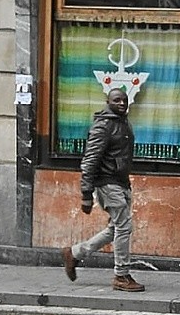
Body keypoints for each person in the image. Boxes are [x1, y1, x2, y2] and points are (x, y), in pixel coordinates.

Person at [62, 87, 145, 292]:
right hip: (107, 183)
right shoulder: (104, 125)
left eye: (124, 100)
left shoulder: (122, 122)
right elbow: (90, 160)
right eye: (117, 100)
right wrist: (86, 194)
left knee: (115, 229)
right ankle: (121, 275)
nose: (122, 103)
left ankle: (74, 253)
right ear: (108, 101)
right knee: (124, 227)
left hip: (121, 182)